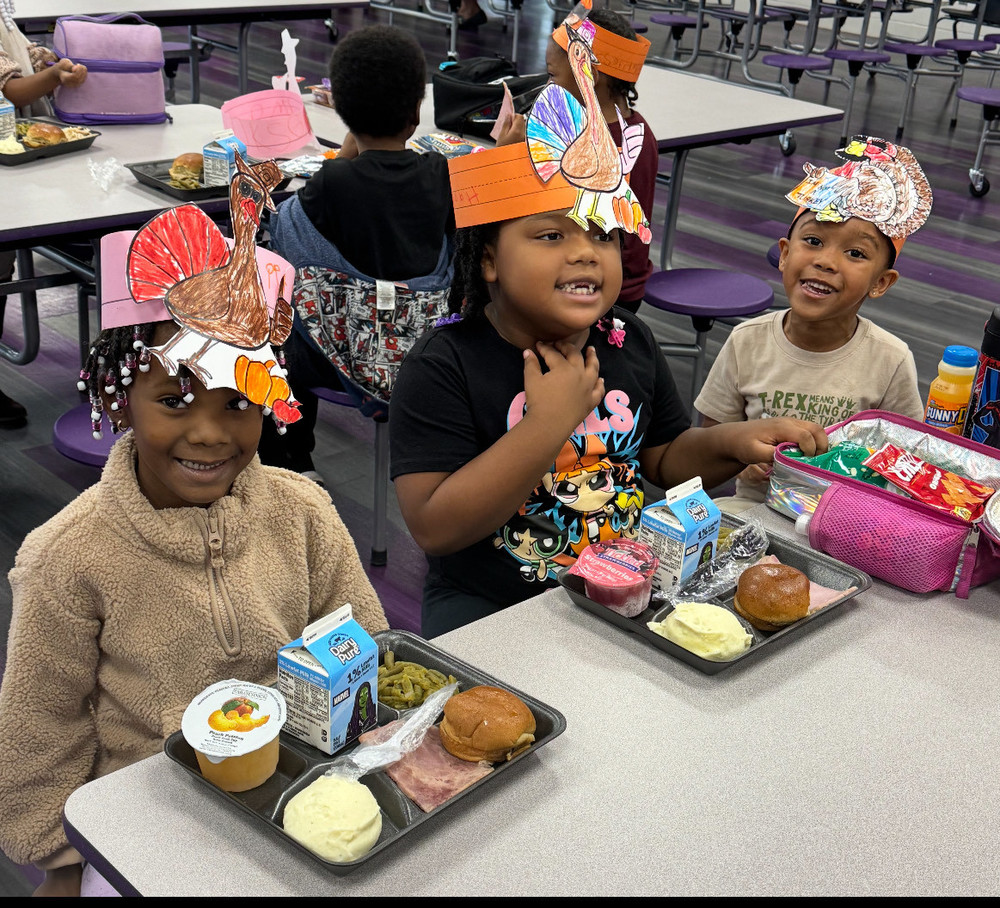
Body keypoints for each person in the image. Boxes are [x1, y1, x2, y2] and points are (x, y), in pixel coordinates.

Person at [387, 11, 828, 638]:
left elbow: (664, 459)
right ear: (487, 259)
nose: (585, 252)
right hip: (487, 606)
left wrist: (733, 441)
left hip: (619, 589)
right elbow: (435, 525)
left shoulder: (627, 339)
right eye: (550, 235)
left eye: (603, 233)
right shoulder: (446, 364)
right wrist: (548, 422)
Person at [0, 194, 388, 896]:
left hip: (299, 788)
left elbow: (367, 641)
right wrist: (63, 860)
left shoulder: (304, 513)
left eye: (238, 401)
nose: (210, 433)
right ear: (120, 401)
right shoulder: (67, 557)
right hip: (145, 811)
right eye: (175, 400)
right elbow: (39, 725)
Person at [259, 24, 455, 484]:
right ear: (416, 112)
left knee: (276, 333)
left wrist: (343, 155)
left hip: (336, 351)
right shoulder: (439, 173)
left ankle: (294, 461)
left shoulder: (330, 184)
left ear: (343, 116)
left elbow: (286, 231)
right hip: (430, 350)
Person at [694, 136, 932, 510]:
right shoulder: (746, 341)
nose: (826, 261)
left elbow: (906, 461)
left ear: (880, 282)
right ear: (785, 255)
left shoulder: (891, 359)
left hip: (849, 522)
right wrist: (741, 460)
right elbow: (712, 438)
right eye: (813, 240)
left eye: (855, 252)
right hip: (756, 509)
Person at [0, 1, 88, 427]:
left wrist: (47, 58)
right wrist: (53, 75)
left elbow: (14, 53)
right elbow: (11, 89)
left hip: (11, 157)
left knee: (1, 267)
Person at [544, 6, 657, 314]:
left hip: (596, 288)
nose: (548, 87)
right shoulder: (639, 130)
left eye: (552, 76)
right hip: (625, 283)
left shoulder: (580, 143)